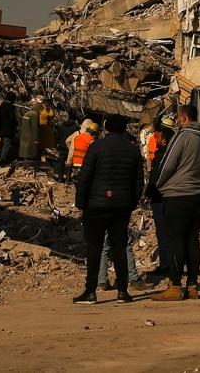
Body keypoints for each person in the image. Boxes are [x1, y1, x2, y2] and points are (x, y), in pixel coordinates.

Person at [72, 116, 143, 305]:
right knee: (119, 247)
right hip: (122, 206)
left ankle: (90, 291)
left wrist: (81, 204)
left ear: (106, 128)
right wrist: (132, 202)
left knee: (94, 247)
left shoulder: (96, 147)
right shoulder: (132, 149)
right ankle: (122, 291)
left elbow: (84, 178)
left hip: (96, 204)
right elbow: (139, 180)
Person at [152, 104, 200, 301]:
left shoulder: (182, 136)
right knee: (192, 240)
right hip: (197, 195)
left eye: (179, 118)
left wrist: (157, 185)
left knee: (176, 240)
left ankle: (175, 285)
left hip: (177, 195)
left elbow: (167, 164)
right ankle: (193, 285)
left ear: (183, 118)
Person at [143, 114, 176, 283]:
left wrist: (147, 194)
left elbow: (156, 178)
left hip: (161, 198)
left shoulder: (163, 155)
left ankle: (167, 265)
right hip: (171, 197)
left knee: (163, 233)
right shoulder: (174, 153)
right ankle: (172, 264)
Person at [67, 118, 97, 184]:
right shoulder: (91, 140)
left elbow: (68, 143)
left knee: (76, 179)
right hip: (83, 163)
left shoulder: (76, 136)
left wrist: (70, 158)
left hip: (75, 162)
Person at [0, 91, 18, 166]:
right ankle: (2, 160)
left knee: (2, 143)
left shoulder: (2, 106)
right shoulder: (10, 107)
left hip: (1, 129)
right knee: (6, 145)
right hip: (8, 129)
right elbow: (12, 119)